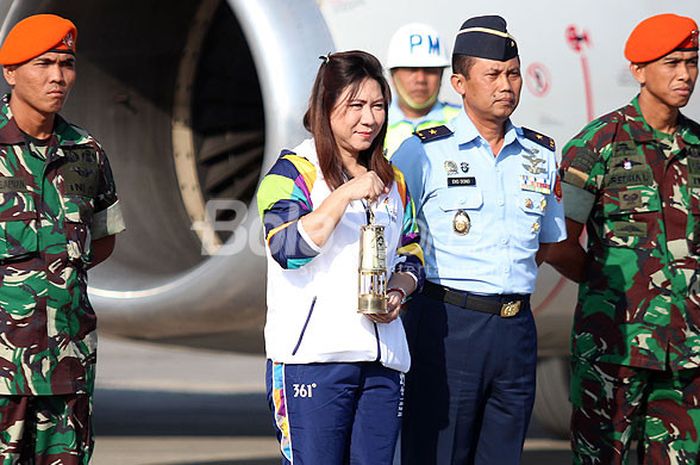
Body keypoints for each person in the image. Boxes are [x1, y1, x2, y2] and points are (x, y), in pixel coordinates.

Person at [392, 15, 566, 465]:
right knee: (439, 454)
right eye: (492, 74)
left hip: (515, 329)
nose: (506, 85)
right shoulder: (423, 151)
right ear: (459, 83)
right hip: (449, 325)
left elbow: (547, 241)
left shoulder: (540, 155)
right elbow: (391, 234)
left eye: (513, 73)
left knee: (502, 455)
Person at [545, 13, 700, 465]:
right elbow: (557, 244)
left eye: (692, 62)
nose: (685, 75)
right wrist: (605, 288)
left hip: (686, 355)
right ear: (638, 70)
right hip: (614, 349)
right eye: (672, 63)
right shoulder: (598, 144)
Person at [256, 50, 424, 465]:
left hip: (382, 361)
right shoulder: (292, 172)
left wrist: (400, 293)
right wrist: (344, 193)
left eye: (378, 106)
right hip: (313, 361)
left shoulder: (393, 180)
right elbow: (286, 249)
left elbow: (412, 252)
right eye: (355, 106)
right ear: (325, 109)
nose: (369, 119)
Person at [0, 13, 125, 464]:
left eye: (66, 63)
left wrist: (51, 272)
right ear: (10, 71)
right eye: (43, 63)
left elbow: (103, 239)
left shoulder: (86, 152)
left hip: (66, 365)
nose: (58, 76)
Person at [384, 23, 460, 158]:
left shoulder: (463, 120)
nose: (420, 79)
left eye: (430, 70)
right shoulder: (374, 124)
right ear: (392, 74)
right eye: (411, 70)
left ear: (442, 75)